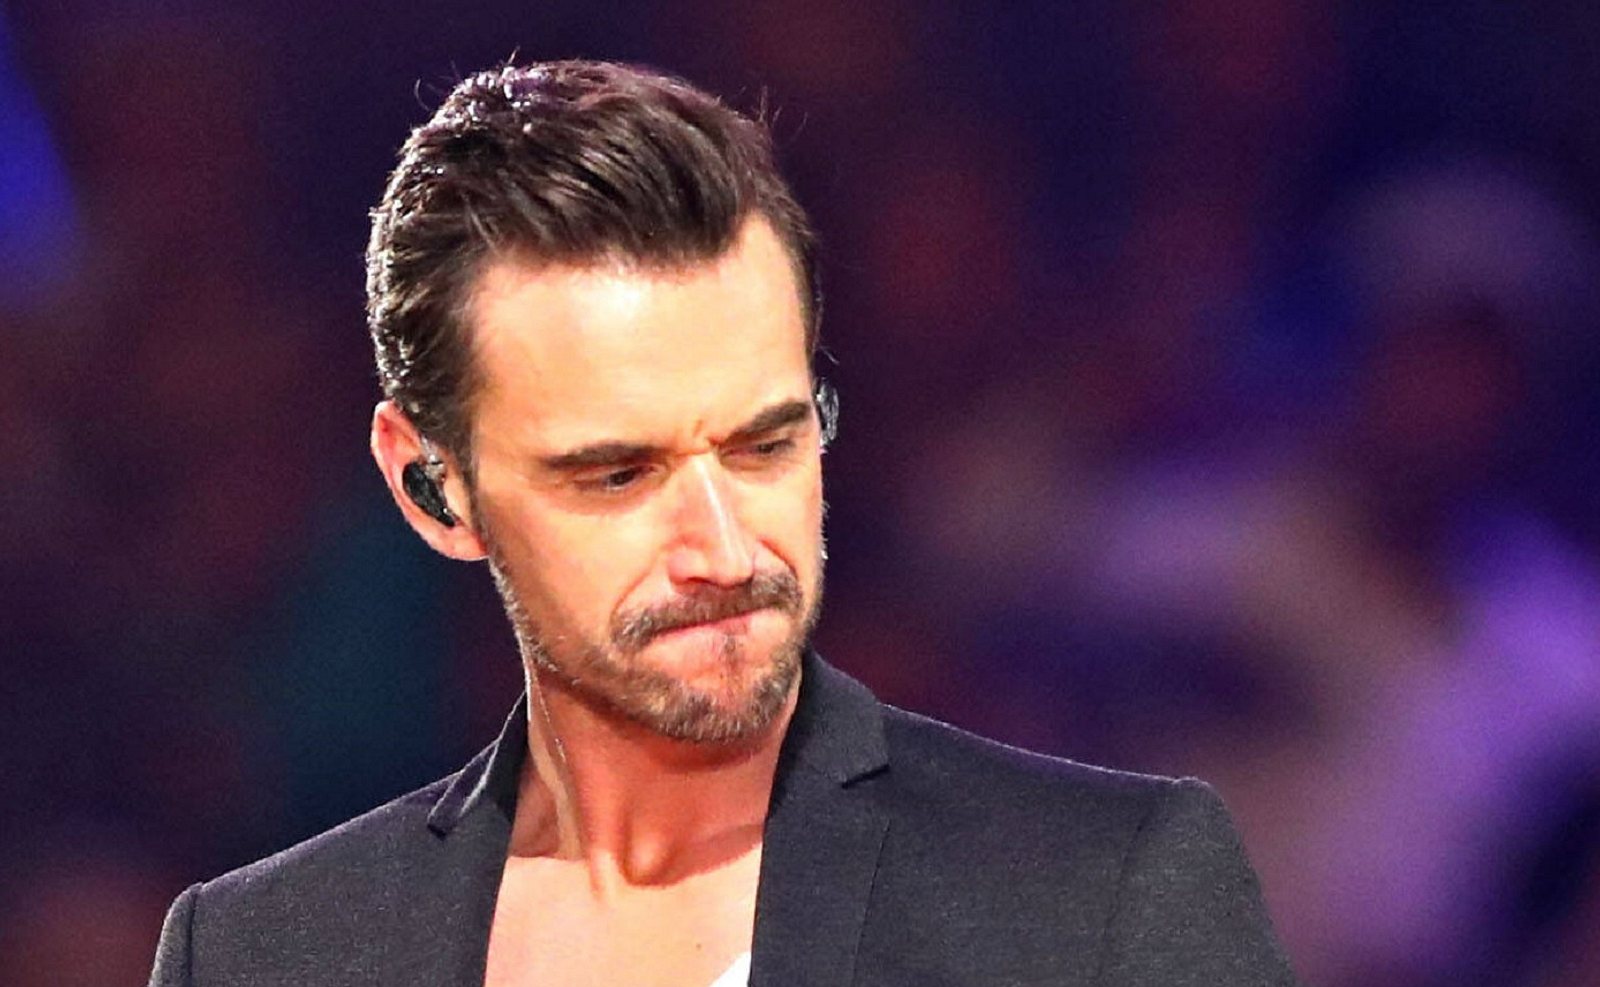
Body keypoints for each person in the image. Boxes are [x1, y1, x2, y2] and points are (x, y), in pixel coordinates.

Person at [147, 59, 1298, 986]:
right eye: (617, 475)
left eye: (764, 446)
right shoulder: (264, 954)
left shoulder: (1095, 899)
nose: (726, 551)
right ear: (431, 488)